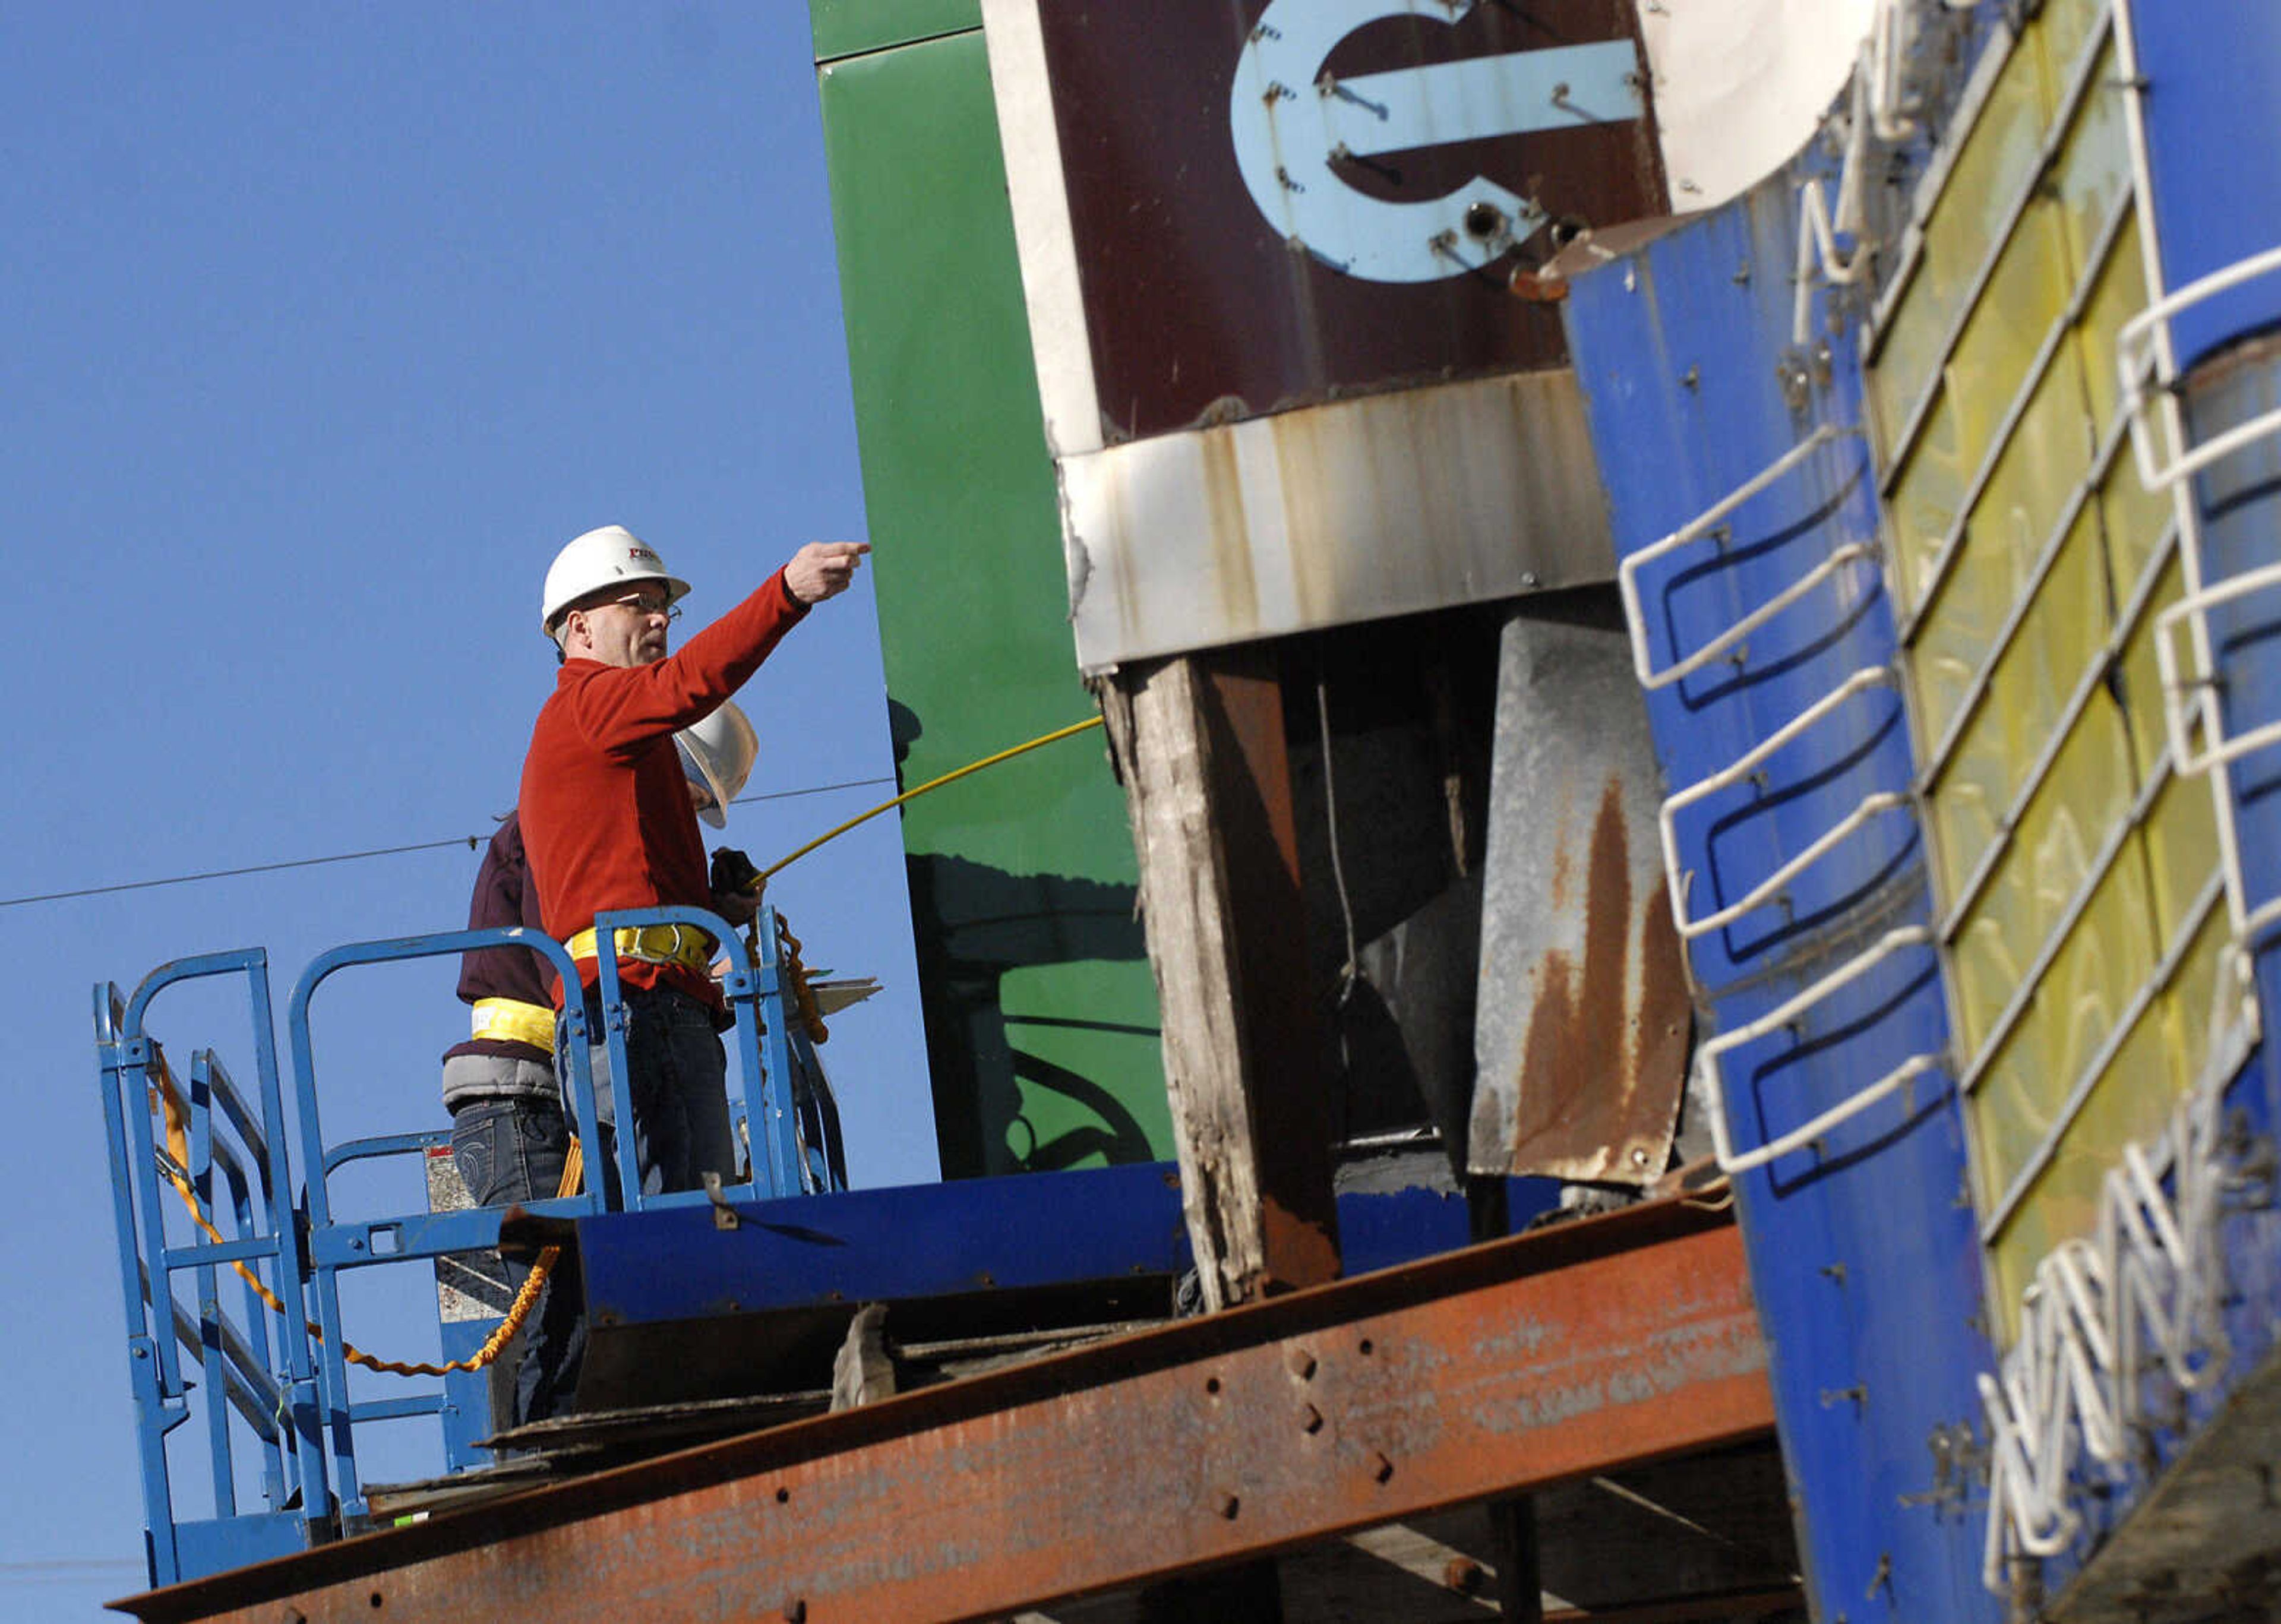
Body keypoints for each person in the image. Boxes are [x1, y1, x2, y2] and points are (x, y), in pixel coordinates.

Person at [518, 523, 865, 1206]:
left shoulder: (620, 742)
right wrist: (786, 595)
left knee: (686, 1225)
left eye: (663, 606)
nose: (658, 618)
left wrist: (715, 912)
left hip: (649, 1005)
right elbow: (690, 681)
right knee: (685, 1235)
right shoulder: (590, 706)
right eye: (637, 603)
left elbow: (626, 885)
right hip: (638, 1010)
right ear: (579, 627)